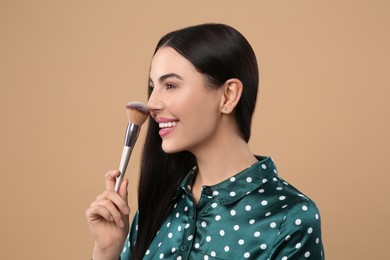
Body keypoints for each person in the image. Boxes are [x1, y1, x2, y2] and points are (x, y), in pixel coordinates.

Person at [86, 23, 324, 260]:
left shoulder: (289, 216)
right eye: (152, 87)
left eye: (170, 85)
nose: (152, 103)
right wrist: (108, 251)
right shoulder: (161, 203)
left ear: (228, 95)